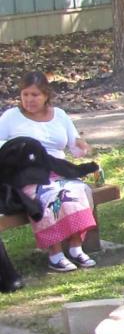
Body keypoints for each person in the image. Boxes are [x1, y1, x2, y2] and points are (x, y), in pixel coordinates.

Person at [0, 71, 98, 272]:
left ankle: (75, 247)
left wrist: (82, 146)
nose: (29, 100)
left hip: (58, 169)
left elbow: (74, 145)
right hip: (26, 173)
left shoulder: (59, 115)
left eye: (35, 95)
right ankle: (55, 253)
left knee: (77, 191)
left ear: (46, 95)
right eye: (25, 94)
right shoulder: (11, 117)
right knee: (48, 195)